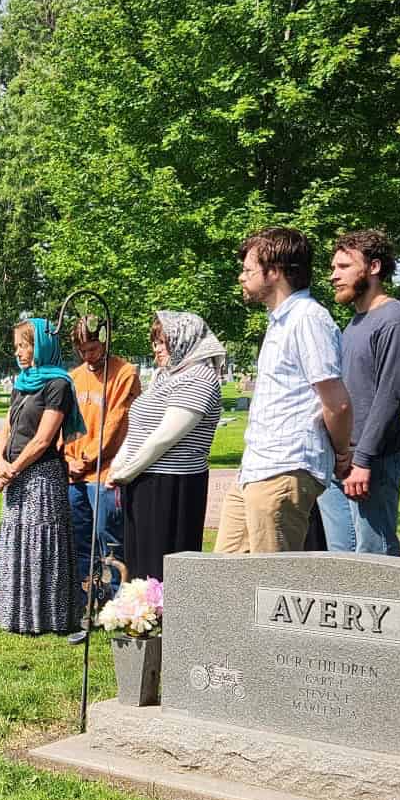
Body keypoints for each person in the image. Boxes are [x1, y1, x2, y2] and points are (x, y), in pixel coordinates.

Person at [218, 227, 353, 553]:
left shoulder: (308, 319)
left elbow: (337, 403)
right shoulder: (280, 321)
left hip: (284, 467)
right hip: (255, 468)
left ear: (275, 271)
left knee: (269, 579)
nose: (241, 277)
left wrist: (342, 454)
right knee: (222, 572)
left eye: (249, 270)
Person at [321, 229, 400, 556]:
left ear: (374, 267)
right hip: (339, 458)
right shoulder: (354, 323)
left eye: (344, 266)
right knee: (341, 557)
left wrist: (363, 459)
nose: (334, 276)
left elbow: (390, 398)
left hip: (372, 462)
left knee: (374, 559)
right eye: (333, 267)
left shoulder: (396, 321)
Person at [107, 311, 227, 584]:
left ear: (184, 340)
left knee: (161, 566)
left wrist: (125, 472)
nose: (156, 349)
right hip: (142, 480)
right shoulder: (165, 376)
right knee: (139, 564)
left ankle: (161, 610)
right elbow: (139, 428)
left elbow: (165, 436)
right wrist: (119, 465)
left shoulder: (200, 378)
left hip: (171, 485)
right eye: (155, 342)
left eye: (163, 342)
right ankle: (141, 610)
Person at [0, 318, 82, 635]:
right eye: (17, 346)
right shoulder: (23, 382)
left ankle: (46, 617)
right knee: (16, 542)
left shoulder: (58, 384)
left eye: (25, 345)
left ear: (41, 346)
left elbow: (43, 439)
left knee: (40, 545)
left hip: (42, 477)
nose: (19, 352)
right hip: (15, 475)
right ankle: (16, 615)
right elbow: (7, 427)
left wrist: (12, 471)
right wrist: (0, 460)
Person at [63, 318, 139, 612]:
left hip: (106, 472)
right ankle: (86, 601)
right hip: (74, 474)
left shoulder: (125, 373)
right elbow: (63, 424)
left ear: (105, 341)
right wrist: (68, 458)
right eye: (82, 350)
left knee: (110, 538)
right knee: (80, 539)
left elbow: (116, 424)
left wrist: (86, 459)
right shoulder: (73, 378)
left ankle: (118, 604)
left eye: (93, 348)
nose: (88, 356)